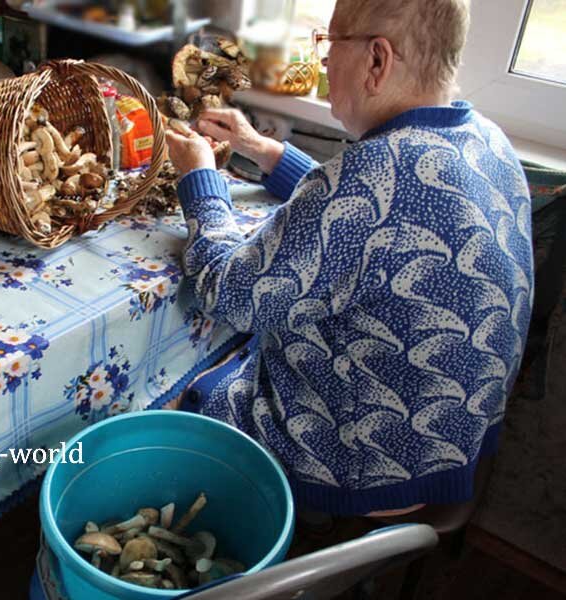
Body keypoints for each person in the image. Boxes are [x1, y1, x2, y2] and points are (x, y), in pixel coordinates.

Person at [165, 0, 533, 517]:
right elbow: (370, 222)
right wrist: (262, 149)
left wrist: (198, 179)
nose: (322, 62)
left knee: (175, 389)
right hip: (449, 447)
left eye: (329, 44)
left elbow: (228, 294)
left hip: (360, 462)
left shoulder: (370, 176)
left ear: (377, 60)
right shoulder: (486, 140)